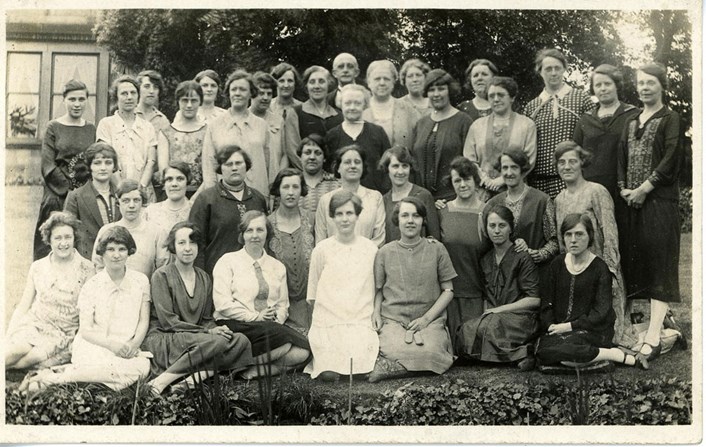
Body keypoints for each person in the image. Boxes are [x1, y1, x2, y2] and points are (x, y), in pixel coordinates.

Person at [22, 226, 152, 391]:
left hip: (127, 347)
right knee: (113, 368)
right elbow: (86, 330)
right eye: (110, 249)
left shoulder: (140, 281)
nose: (116, 255)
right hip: (95, 346)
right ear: (102, 253)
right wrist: (111, 346)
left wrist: (133, 344)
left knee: (143, 367)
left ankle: (58, 377)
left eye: (122, 249)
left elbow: (143, 320)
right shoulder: (92, 285)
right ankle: (91, 380)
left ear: (129, 252)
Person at [617, 62, 684, 362]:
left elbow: (670, 159)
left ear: (661, 85)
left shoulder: (671, 119)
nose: (644, 88)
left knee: (659, 265)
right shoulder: (631, 119)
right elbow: (621, 157)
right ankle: (653, 330)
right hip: (631, 203)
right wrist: (623, 188)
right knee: (635, 265)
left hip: (659, 204)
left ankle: (655, 338)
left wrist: (644, 188)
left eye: (650, 83)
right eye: (641, 83)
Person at [142, 222, 254, 394]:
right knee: (217, 342)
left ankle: (190, 381)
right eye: (182, 243)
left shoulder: (203, 277)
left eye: (193, 243)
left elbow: (206, 320)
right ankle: (161, 382)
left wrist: (218, 329)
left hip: (197, 338)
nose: (188, 248)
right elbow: (168, 323)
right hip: (166, 336)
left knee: (240, 340)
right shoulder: (162, 276)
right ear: (173, 246)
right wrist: (209, 333)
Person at [536, 214, 647, 370]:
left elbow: (600, 313)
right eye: (568, 234)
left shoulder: (599, 268)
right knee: (542, 351)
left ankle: (614, 356)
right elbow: (546, 303)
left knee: (566, 350)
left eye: (579, 234)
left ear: (590, 236)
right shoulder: (557, 264)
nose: (573, 240)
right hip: (560, 331)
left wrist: (569, 326)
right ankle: (599, 357)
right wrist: (550, 326)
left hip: (593, 331)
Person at [213, 211, 311, 379]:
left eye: (260, 230)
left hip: (270, 327)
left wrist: (275, 321)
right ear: (242, 235)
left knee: (303, 351)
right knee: (286, 342)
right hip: (237, 323)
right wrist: (255, 317)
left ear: (268, 233)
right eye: (249, 231)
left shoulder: (277, 266)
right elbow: (222, 304)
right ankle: (237, 366)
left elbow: (282, 305)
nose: (255, 236)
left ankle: (251, 371)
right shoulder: (227, 261)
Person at [369, 197, 456, 382]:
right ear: (397, 220)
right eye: (405, 215)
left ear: (423, 220)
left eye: (416, 216)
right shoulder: (384, 252)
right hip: (394, 320)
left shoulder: (437, 249)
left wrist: (426, 319)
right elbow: (378, 290)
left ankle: (396, 367)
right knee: (393, 347)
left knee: (432, 351)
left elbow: (448, 291)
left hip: (429, 321)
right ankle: (409, 365)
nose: (410, 221)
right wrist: (376, 312)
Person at [553, 141, 627, 346]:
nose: (566, 166)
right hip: (577, 273)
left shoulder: (596, 191)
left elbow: (610, 232)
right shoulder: (559, 199)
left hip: (601, 268)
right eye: (561, 162)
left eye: (572, 161)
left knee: (616, 337)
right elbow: (562, 242)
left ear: (582, 163)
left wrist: (611, 271)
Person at [6, 212, 94, 371]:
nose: (63, 243)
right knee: (15, 350)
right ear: (49, 240)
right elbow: (24, 305)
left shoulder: (87, 269)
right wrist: (9, 335)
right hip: (35, 324)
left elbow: (89, 313)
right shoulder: (38, 267)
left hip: (63, 334)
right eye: (58, 238)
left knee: (30, 360)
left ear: (75, 238)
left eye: (68, 237)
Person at [306, 190, 379, 381]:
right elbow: (312, 295)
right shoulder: (321, 250)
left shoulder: (370, 249)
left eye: (349, 213)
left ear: (357, 215)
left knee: (360, 370)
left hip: (360, 321)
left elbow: (377, 288)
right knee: (329, 373)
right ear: (332, 217)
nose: (344, 219)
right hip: (328, 323)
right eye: (339, 214)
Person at [456, 205, 540, 370]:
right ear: (486, 229)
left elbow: (534, 299)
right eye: (492, 226)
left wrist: (499, 310)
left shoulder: (522, 256)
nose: (496, 230)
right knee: (466, 329)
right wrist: (491, 313)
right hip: (495, 318)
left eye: (502, 225)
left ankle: (527, 352)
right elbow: (487, 295)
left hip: (520, 317)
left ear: (511, 228)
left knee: (492, 328)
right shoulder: (486, 259)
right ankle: (513, 356)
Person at [33, 80, 96, 260]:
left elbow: (92, 161)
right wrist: (69, 192)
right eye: (72, 99)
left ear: (87, 101)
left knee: (81, 245)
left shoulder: (91, 128)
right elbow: (48, 165)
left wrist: (81, 194)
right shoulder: (53, 127)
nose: (77, 104)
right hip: (57, 194)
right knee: (53, 243)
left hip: (83, 196)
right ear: (64, 100)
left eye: (81, 99)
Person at [523, 49, 594, 199]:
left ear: (564, 70)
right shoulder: (532, 106)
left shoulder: (581, 98)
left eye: (557, 68)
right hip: (539, 182)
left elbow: (592, 138)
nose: (553, 73)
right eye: (548, 69)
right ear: (540, 72)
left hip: (572, 178)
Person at [189, 145, 268, 275]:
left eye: (238, 163)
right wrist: (201, 278)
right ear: (220, 168)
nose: (234, 167)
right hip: (217, 273)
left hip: (253, 274)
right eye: (228, 164)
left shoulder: (257, 198)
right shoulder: (206, 199)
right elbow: (196, 242)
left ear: (246, 166)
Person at [438, 157, 491, 347]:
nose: (462, 184)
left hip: (476, 294)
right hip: (448, 295)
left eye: (467, 179)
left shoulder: (487, 212)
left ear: (476, 180)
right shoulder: (442, 212)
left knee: (472, 348)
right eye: (457, 180)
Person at [482, 150, 558, 276]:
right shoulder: (493, 203)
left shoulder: (541, 200)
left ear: (523, 170)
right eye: (505, 168)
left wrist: (539, 254)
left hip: (534, 273)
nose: (509, 173)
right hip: (503, 276)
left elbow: (554, 241)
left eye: (514, 167)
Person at [573, 64, 639, 204]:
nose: (603, 88)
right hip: (592, 189)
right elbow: (576, 155)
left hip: (624, 188)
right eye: (598, 85)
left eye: (607, 84)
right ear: (593, 89)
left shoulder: (633, 114)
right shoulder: (585, 119)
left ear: (616, 85)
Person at [463, 77, 537, 201]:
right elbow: (469, 159)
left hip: (515, 191)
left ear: (512, 98)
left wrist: (502, 180)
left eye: (501, 95)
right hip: (482, 192)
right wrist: (485, 180)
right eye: (491, 96)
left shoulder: (526, 125)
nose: (496, 99)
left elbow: (529, 159)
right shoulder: (477, 126)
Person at [201, 69, 270, 197]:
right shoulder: (215, 126)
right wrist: (212, 197)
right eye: (234, 89)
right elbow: (209, 164)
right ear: (228, 93)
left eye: (242, 89)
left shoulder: (262, 125)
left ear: (251, 93)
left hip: (257, 193)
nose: (237, 93)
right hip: (224, 196)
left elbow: (267, 164)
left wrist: (268, 195)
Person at [412, 69, 473, 201]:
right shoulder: (421, 123)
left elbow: (470, 163)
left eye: (441, 89)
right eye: (431, 90)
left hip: (453, 198)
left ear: (449, 90)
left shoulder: (463, 121)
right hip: (423, 200)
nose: (436, 94)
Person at [96, 75, 158, 203]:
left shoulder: (147, 127)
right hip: (114, 191)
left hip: (143, 191)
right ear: (116, 97)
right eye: (124, 93)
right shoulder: (106, 124)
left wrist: (141, 189)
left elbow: (151, 162)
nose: (129, 97)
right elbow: (106, 160)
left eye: (133, 93)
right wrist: (122, 189)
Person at [268, 169, 315, 334]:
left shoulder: (312, 220)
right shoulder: (267, 225)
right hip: (281, 308)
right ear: (277, 190)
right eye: (285, 187)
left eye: (295, 187)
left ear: (302, 190)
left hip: (312, 305)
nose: (290, 192)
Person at [92, 179, 170, 278]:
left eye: (136, 200)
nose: (131, 205)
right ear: (118, 203)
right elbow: (97, 266)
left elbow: (163, 269)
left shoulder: (156, 232)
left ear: (143, 203)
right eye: (126, 200)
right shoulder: (106, 231)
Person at [325, 84, 391, 193]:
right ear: (341, 105)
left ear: (364, 105)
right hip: (342, 201)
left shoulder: (378, 132)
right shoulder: (332, 136)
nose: (352, 107)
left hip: (374, 198)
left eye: (357, 103)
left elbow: (388, 168)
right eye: (348, 103)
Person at [315, 145, 385, 247]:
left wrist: (356, 255)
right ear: (338, 168)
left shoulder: (375, 197)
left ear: (363, 167)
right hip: (334, 259)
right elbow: (320, 241)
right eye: (347, 162)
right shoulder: (326, 200)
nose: (353, 166)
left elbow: (379, 239)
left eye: (357, 162)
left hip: (366, 259)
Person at [64, 142, 122, 259]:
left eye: (108, 163)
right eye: (97, 163)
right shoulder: (76, 196)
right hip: (87, 259)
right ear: (89, 166)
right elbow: (67, 232)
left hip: (117, 259)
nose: (103, 168)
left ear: (114, 166)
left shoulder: (121, 194)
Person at [157, 81, 207, 199]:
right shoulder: (166, 132)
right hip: (172, 192)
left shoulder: (207, 131)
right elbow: (164, 170)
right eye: (185, 100)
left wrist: (197, 197)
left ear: (200, 102)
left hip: (201, 193)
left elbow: (209, 170)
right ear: (178, 101)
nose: (189, 105)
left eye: (194, 100)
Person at [379, 146, 439, 242]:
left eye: (405, 166)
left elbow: (434, 236)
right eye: (395, 166)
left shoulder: (423, 195)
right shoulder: (384, 200)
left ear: (410, 168)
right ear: (387, 169)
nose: (400, 171)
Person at [362, 60, 420, 150]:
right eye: (377, 79)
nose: (382, 83)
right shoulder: (360, 109)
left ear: (393, 82)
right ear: (369, 82)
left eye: (386, 79)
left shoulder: (408, 109)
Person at [249, 71, 292, 187]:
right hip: (250, 181)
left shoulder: (278, 120)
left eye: (269, 94)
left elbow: (284, 154)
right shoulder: (244, 119)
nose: (265, 98)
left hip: (273, 180)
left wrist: (279, 179)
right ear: (251, 94)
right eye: (261, 93)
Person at [296, 134, 340, 225]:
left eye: (317, 153)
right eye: (307, 153)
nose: (312, 157)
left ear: (324, 158)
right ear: (300, 157)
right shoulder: (291, 184)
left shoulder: (337, 185)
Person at [292, 66, 344, 139]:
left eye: (321, 81)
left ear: (328, 85)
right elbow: (292, 147)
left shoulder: (339, 116)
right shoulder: (295, 113)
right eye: (312, 82)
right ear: (306, 86)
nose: (317, 86)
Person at [143, 161, 193, 233]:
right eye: (169, 179)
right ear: (164, 183)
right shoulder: (151, 212)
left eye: (180, 179)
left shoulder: (196, 209)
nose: (174, 184)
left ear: (187, 181)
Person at [135, 69, 171, 134]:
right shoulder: (129, 114)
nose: (151, 91)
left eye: (155, 87)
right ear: (138, 89)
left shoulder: (162, 121)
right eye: (147, 86)